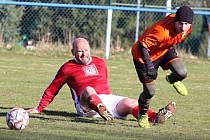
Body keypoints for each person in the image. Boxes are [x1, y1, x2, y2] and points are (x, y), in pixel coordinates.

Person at [27, 37, 175, 124]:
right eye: (79, 51)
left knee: (131, 103)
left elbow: (105, 84)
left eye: (86, 50)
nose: (84, 54)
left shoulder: (100, 62)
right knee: (89, 89)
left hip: (106, 100)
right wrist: (39, 108)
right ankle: (100, 108)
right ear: (73, 53)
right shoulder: (67, 68)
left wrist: (110, 103)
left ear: (90, 49)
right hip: (85, 105)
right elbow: (52, 89)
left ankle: (156, 117)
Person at [131, 6, 194, 128]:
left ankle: (172, 79)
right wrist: (149, 66)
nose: (183, 27)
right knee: (150, 91)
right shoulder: (161, 31)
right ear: (176, 21)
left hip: (163, 50)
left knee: (181, 73)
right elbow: (142, 46)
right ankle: (142, 114)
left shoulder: (187, 29)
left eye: (187, 24)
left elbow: (176, 36)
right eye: (180, 23)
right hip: (143, 57)